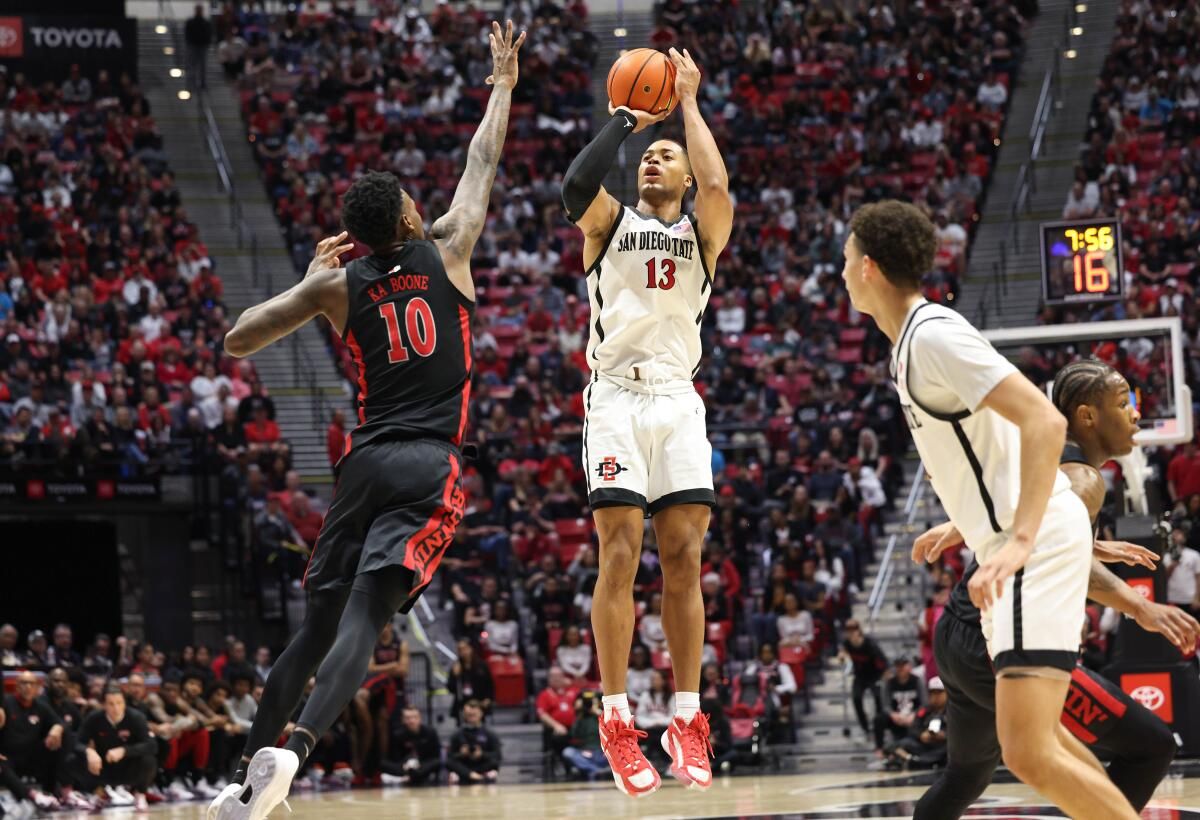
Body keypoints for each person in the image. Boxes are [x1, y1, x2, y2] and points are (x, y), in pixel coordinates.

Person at [208, 21, 525, 820]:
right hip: (427, 463)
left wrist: (311, 278)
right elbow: (480, 163)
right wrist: (503, 84)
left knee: (310, 631)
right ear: (410, 220)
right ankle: (295, 757)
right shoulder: (449, 248)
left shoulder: (337, 287)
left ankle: (247, 778)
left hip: (364, 464)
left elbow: (238, 338)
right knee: (365, 620)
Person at [842, 200, 1141, 820]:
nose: (842, 273)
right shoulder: (910, 344)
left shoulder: (933, 335)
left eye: (846, 260)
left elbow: (1043, 419)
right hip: (1012, 540)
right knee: (1040, 746)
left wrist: (1019, 539)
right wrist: (968, 526)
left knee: (1028, 751)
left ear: (868, 267)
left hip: (1029, 544)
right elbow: (994, 450)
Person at [911, 358, 1200, 819]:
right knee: (1150, 746)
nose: (1136, 414)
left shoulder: (1048, 453)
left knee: (966, 775)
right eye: (1123, 403)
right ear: (1088, 416)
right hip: (996, 640)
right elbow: (1053, 548)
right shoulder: (1084, 479)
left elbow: (1028, 520)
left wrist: (1094, 547)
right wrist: (1139, 607)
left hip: (956, 634)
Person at [561, 47, 734, 797]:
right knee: (621, 550)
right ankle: (617, 717)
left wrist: (688, 104)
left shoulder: (704, 233)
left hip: (676, 397)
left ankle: (687, 718)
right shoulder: (609, 223)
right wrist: (628, 120)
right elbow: (574, 186)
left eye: (667, 157)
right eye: (646, 158)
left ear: (687, 174)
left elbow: (720, 182)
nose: (652, 163)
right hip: (616, 398)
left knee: (686, 552)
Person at [67, 686, 157, 811]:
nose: (116, 708)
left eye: (119, 703)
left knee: (149, 760)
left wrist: (124, 751)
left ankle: (140, 794)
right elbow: (76, 743)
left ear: (124, 703)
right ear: (104, 705)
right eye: (111, 704)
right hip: (102, 767)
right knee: (72, 760)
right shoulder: (94, 718)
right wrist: (89, 751)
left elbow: (151, 745)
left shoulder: (136, 717)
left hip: (129, 767)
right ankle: (100, 794)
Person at [836, 620, 887, 738]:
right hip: (860, 676)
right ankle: (865, 727)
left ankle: (879, 725)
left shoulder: (870, 644)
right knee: (856, 698)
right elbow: (842, 653)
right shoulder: (847, 643)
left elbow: (882, 660)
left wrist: (884, 673)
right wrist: (842, 656)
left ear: (859, 631)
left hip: (874, 675)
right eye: (848, 631)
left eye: (853, 631)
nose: (851, 634)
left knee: (878, 697)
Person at [873, 657, 927, 755]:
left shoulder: (917, 681)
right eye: (898, 666)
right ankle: (879, 748)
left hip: (913, 716)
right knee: (879, 719)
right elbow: (886, 704)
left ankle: (922, 748)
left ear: (909, 666)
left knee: (925, 718)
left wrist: (914, 715)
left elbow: (924, 704)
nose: (900, 668)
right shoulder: (890, 682)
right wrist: (893, 714)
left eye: (903, 665)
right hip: (896, 716)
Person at [380, 706, 441, 787]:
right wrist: (404, 765)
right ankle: (409, 776)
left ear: (420, 718)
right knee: (382, 763)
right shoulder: (397, 735)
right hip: (404, 766)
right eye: (408, 718)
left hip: (423, 765)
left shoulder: (430, 733)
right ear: (403, 720)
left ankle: (409, 777)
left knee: (438, 762)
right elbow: (394, 757)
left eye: (414, 717)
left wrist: (421, 764)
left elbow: (435, 756)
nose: (412, 721)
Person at [445, 700, 502, 784]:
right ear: (464, 715)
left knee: (494, 762)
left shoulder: (490, 734)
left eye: (474, 715)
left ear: (481, 713)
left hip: (481, 765)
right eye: (469, 715)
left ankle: (470, 775)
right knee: (449, 763)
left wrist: (482, 754)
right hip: (464, 765)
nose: (471, 717)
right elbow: (450, 757)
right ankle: (472, 775)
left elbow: (498, 755)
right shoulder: (457, 734)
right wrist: (461, 754)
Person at [562, 690, 610, 781]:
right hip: (585, 753)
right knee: (568, 752)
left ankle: (594, 770)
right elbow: (574, 735)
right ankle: (596, 770)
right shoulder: (581, 717)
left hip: (603, 753)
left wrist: (599, 714)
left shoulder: (604, 715)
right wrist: (579, 714)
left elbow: (612, 730)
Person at [184, 4, 213, 91]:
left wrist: (207, 43)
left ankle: (203, 83)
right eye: (198, 10)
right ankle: (191, 84)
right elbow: (187, 34)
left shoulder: (206, 23)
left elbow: (209, 34)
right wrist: (190, 43)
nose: (199, 11)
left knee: (202, 66)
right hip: (193, 46)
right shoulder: (191, 22)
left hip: (202, 46)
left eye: (200, 10)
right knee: (192, 66)